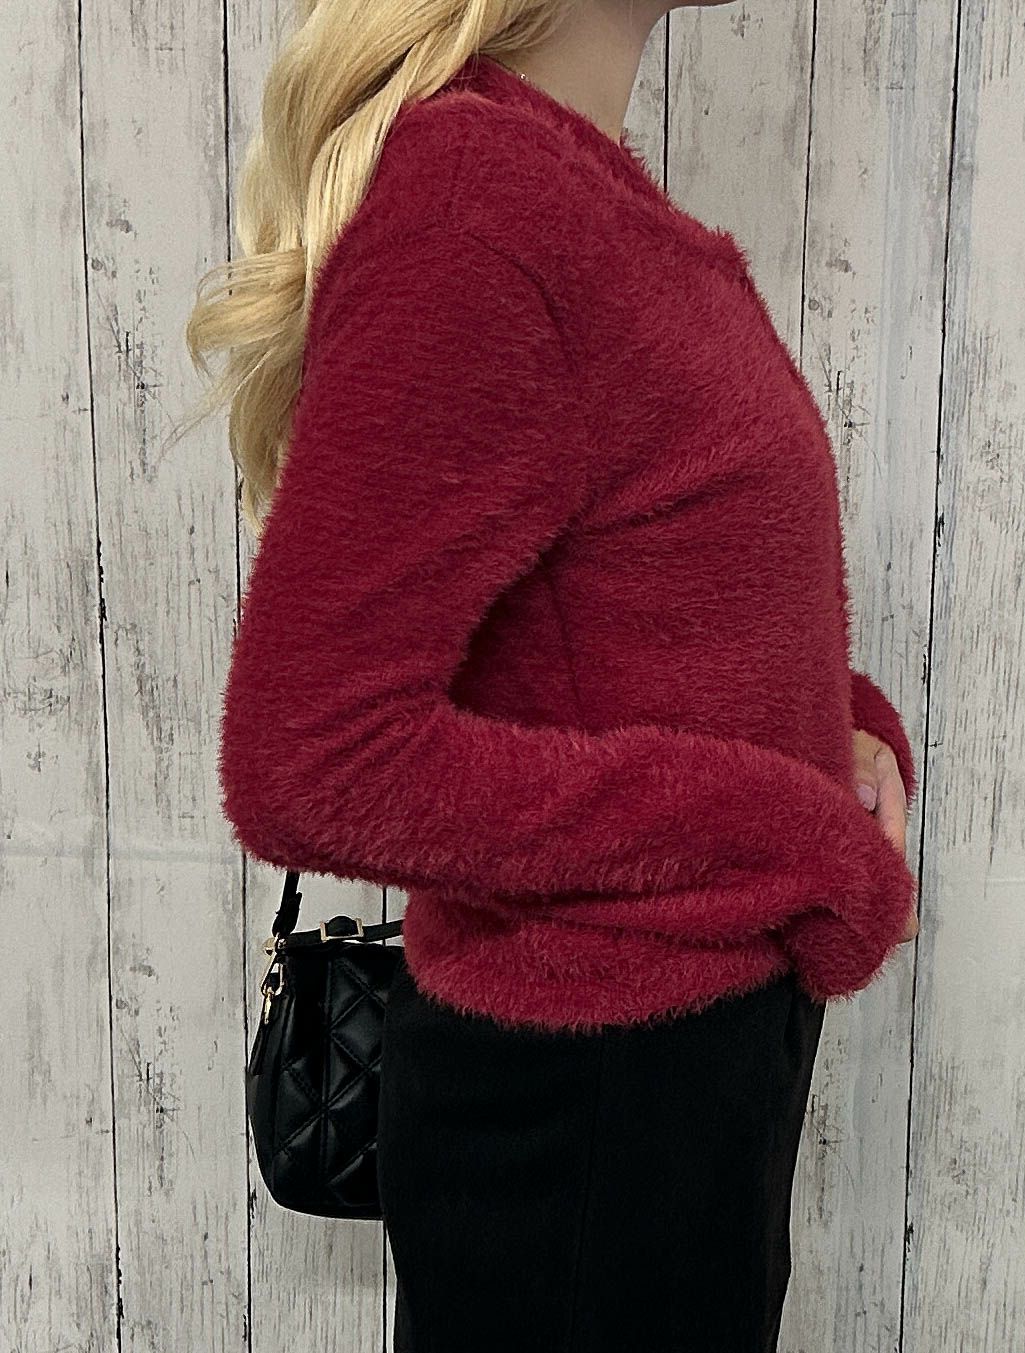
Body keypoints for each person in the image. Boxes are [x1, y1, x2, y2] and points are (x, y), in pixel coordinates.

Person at [182, 2, 919, 1349]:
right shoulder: (481, 206)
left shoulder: (570, 192)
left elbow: (631, 599)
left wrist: (838, 733)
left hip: (679, 1078)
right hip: (593, 1111)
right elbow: (315, 758)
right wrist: (789, 830)